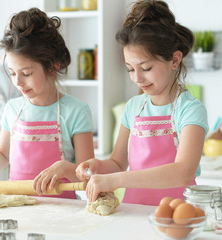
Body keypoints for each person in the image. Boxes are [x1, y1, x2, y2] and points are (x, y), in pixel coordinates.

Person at [76, 0, 209, 205]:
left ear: (174, 60)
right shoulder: (133, 107)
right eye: (130, 68)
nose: (137, 78)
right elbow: (118, 162)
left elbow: (182, 172)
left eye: (146, 68)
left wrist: (116, 179)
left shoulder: (190, 110)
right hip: (133, 212)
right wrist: (98, 167)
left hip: (175, 218)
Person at [0, 8, 95, 199]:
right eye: (12, 73)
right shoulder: (12, 109)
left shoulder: (76, 111)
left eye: (26, 74)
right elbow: (2, 154)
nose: (18, 82)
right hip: (17, 206)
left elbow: (89, 175)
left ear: (52, 66)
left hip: (62, 212)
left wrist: (66, 169)